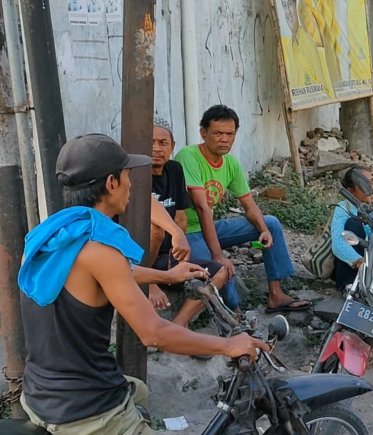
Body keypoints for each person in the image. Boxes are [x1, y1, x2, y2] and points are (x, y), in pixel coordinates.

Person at [17, 134, 269, 434]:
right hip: (87, 412)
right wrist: (229, 345)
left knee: (140, 391)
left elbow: (99, 278)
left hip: (40, 392)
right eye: (127, 177)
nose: (133, 185)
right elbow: (153, 333)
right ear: (111, 184)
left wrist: (166, 276)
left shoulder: (53, 235)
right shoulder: (100, 250)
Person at [174, 105, 310, 313]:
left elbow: (248, 203)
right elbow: (201, 207)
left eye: (230, 134)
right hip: (187, 233)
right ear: (203, 133)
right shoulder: (188, 156)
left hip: (210, 228)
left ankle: (276, 294)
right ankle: (236, 315)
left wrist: (263, 229)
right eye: (217, 133)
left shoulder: (230, 164)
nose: (224, 139)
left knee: (271, 223)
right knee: (219, 267)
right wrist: (218, 254)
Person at [149, 117, 230, 327]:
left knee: (220, 272)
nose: (157, 148)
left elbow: (181, 217)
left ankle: (177, 325)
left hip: (168, 255)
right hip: (141, 256)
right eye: (151, 143)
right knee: (155, 229)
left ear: (172, 146)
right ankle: (148, 282)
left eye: (163, 143)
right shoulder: (137, 174)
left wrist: (180, 255)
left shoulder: (174, 170)